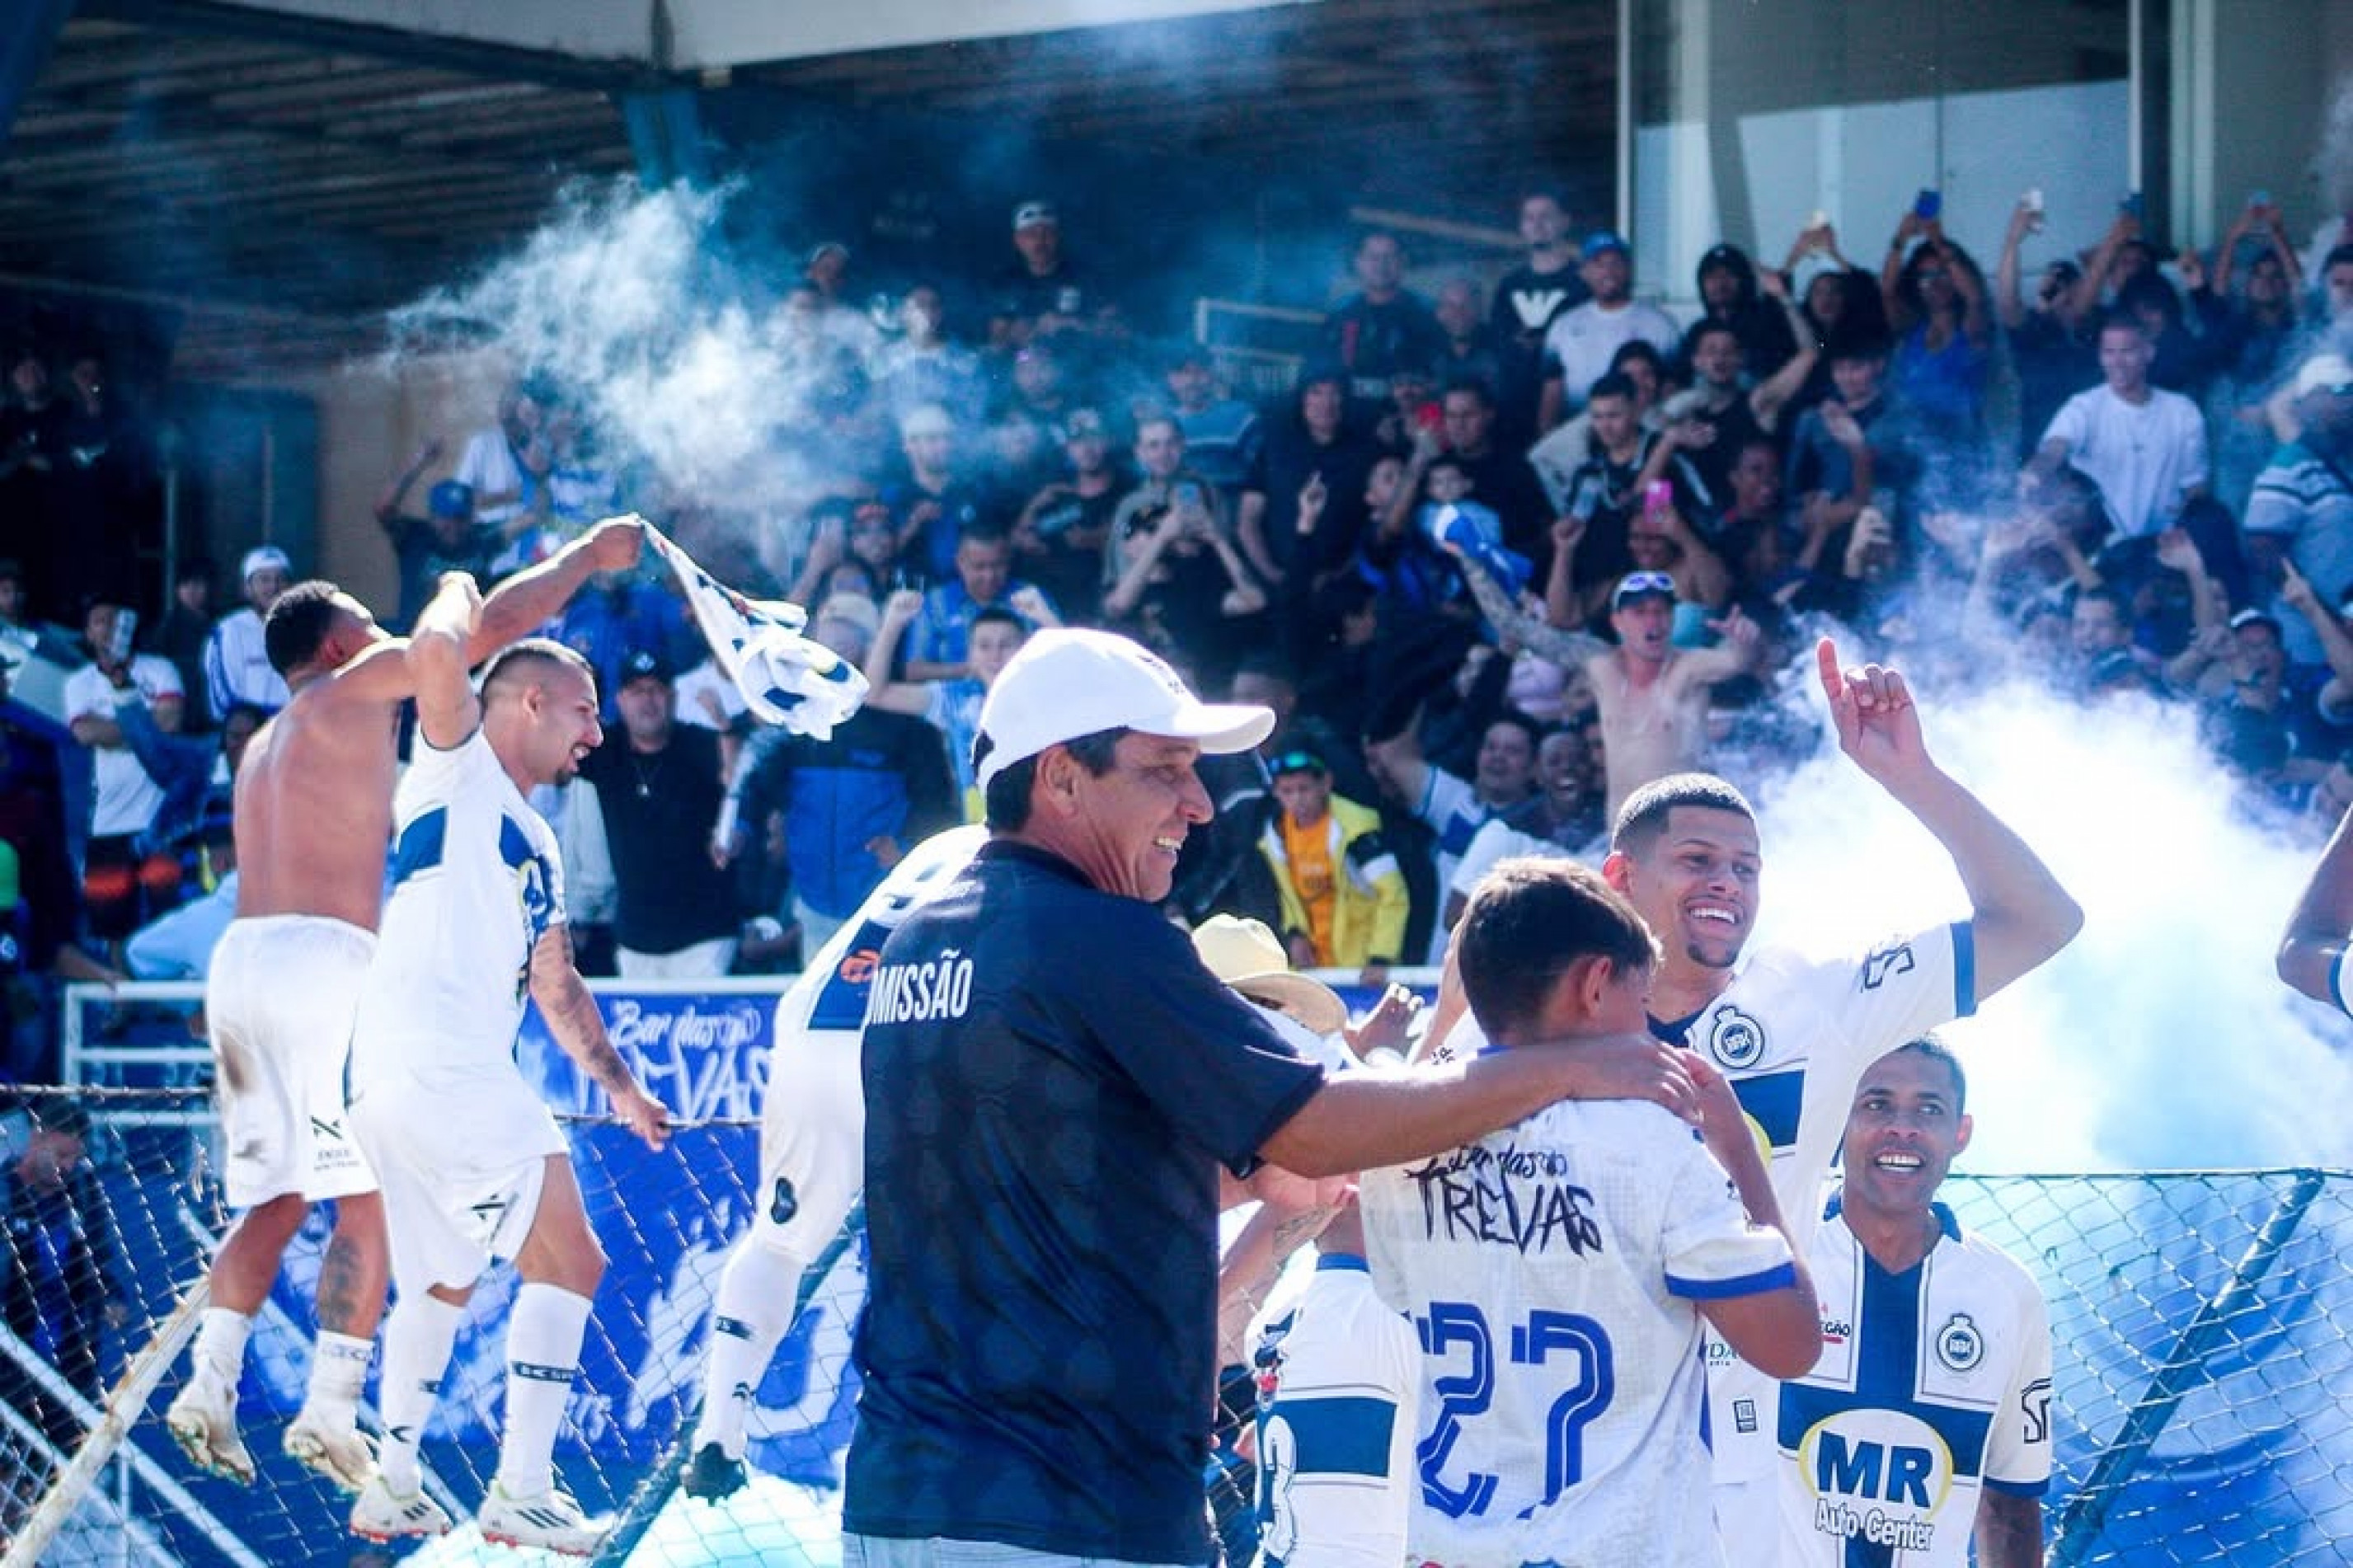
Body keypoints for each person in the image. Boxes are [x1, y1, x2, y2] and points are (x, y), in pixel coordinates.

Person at [840, 627, 1706, 1568]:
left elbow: (1050, 1177)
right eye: (1165, 770)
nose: (1201, 803)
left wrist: (1249, 1180)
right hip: (1068, 1511)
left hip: (898, 1499)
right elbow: (1318, 1130)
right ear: (1061, 777)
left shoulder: (922, 938)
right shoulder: (1094, 934)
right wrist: (1566, 1065)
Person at [162, 521, 646, 1495]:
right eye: (364, 622)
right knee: (373, 1191)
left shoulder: (261, 746)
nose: (379, 632)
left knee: (275, 1195)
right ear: (340, 642)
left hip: (243, 966)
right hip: (325, 957)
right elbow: (475, 639)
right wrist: (586, 558)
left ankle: (209, 1385)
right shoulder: (351, 689)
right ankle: (333, 1408)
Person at [1593, 641, 2079, 1555]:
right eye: (1697, 860)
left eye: (1746, 868)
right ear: (1623, 878)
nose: (1726, 884)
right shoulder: (1550, 1011)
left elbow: (2041, 921)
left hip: (1728, 1467)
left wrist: (1912, 776)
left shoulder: (1815, 998)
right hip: (1571, 1439)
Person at [1356, 857, 1820, 1567]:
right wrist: (1737, 1151)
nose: (1651, 1031)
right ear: (1596, 984)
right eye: (1643, 1002)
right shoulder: (1650, 1144)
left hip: (1450, 1547)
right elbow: (1791, 1344)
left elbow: (1397, 1292)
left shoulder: (1400, 1144)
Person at [343, 579, 669, 1552]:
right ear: (530, 703)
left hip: (386, 1079)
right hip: (442, 1067)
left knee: (441, 1285)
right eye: (584, 711)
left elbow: (556, 988)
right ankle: (522, 1490)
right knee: (572, 1260)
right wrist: (458, 584)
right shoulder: (457, 767)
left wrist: (621, 1088)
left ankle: (393, 1484)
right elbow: (440, 656)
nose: (597, 735)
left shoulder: (535, 836)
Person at [680, 822, 990, 1502]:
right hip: (914, 1032)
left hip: (818, 1021)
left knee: (779, 1244)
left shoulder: (945, 843)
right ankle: (935, 1445)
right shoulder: (1057, 851)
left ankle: (719, 1434)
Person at [1776, 1037, 2052, 1568]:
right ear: (1838, 1121)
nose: (1902, 1128)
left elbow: (2010, 1503)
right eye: (1877, 1104)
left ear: (1960, 1134)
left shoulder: (2009, 1295)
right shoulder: (1773, 1255)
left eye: (1929, 1110)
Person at [1459, 556, 1762, 819]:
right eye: (1640, 612)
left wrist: (1744, 639)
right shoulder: (1600, 664)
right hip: (1625, 838)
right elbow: (1512, 625)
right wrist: (1468, 560)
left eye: (1660, 611)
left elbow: (1737, 660)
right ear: (1618, 622)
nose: (1652, 621)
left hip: (1685, 828)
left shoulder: (1691, 667)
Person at [573, 647, 740, 978]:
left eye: (656, 690)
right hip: (635, 939)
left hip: (705, 937)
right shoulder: (607, 749)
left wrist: (725, 727)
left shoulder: (701, 743)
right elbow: (552, 749)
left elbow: (738, 781)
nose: (647, 701)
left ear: (673, 697)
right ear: (620, 700)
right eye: (636, 691)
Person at [0, 1099, 125, 1457]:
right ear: (37, 1138)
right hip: (11, 1351)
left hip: (68, 1354)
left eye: (75, 1158)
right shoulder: (5, 1194)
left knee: (64, 1459)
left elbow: (99, 1262)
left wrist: (112, 1297)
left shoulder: (83, 1195)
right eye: (61, 1154)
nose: (67, 1166)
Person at [1258, 747, 1407, 985]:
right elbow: (1288, 897)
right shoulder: (1276, 836)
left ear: (1325, 784)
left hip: (1362, 971)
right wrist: (1294, 934)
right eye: (1287, 791)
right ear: (1276, 792)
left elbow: (1394, 894)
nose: (1297, 799)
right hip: (1312, 972)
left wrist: (1381, 957)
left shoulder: (1358, 832)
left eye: (1304, 789)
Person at [203, 547, 295, 718]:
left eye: (281, 579)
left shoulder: (306, 630)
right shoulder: (228, 630)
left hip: (295, 726)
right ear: (247, 588)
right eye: (264, 580)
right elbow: (223, 696)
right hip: (247, 729)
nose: (274, 587)